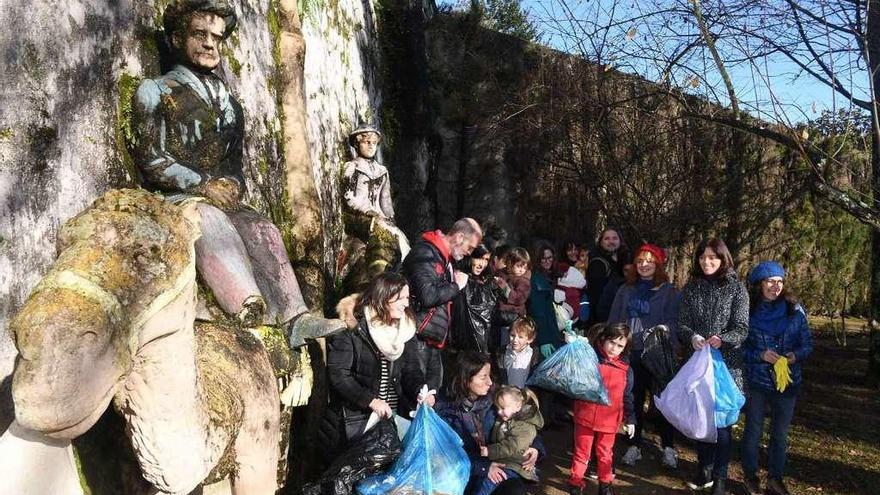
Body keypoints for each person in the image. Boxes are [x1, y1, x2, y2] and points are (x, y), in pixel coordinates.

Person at [129, 0, 339, 340]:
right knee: (211, 224)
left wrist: (232, 184)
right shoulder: (155, 91)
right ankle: (246, 308)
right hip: (179, 198)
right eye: (200, 34)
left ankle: (294, 316)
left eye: (217, 36)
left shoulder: (230, 103)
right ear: (176, 39)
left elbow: (234, 164)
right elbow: (151, 158)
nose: (211, 43)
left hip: (220, 197)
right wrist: (202, 184)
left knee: (262, 227)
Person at [678, 238, 749, 495]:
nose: (706, 262)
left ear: (723, 259)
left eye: (712, 258)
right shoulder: (691, 288)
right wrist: (692, 337)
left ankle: (720, 477)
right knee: (701, 419)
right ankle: (704, 469)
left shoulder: (736, 288)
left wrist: (723, 340)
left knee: (722, 425)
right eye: (702, 257)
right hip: (698, 364)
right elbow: (682, 324)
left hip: (726, 368)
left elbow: (742, 328)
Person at [324, 273, 425, 451]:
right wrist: (370, 401)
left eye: (407, 298)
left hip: (393, 419)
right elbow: (338, 374)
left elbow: (411, 369)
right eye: (400, 298)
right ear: (383, 296)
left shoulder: (406, 329)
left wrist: (420, 391)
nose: (406, 303)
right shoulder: (354, 328)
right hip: (356, 422)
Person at [741, 262, 813, 495]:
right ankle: (750, 476)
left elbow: (807, 344)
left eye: (779, 281)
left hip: (788, 382)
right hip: (758, 381)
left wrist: (796, 356)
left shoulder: (795, 310)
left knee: (780, 435)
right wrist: (760, 354)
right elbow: (739, 348)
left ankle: (775, 478)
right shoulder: (747, 311)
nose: (775, 286)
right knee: (753, 432)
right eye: (770, 281)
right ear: (759, 285)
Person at [607, 244, 681, 468]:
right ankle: (634, 446)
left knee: (662, 402)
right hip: (631, 353)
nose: (644, 265)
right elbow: (614, 320)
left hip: (657, 355)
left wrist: (662, 331)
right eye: (640, 261)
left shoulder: (668, 291)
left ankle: (668, 447)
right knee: (634, 401)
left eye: (649, 261)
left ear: (658, 264)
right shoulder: (625, 290)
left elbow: (674, 323)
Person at [435, 352, 543, 495]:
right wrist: (484, 467)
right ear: (466, 380)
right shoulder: (447, 411)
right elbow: (448, 453)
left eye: (489, 375)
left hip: (500, 464)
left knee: (515, 490)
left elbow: (522, 423)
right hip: (464, 474)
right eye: (483, 377)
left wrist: (536, 447)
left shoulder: (494, 399)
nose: (490, 382)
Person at [403, 218, 483, 390]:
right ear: (460, 237)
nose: (469, 253)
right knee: (417, 396)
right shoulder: (426, 253)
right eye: (470, 247)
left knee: (432, 395)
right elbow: (428, 296)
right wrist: (456, 286)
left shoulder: (444, 259)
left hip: (433, 339)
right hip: (417, 337)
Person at [568, 323, 635, 495]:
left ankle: (605, 484)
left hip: (609, 420)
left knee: (605, 453)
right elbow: (574, 382)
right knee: (581, 452)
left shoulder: (626, 370)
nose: (614, 348)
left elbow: (627, 396)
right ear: (603, 339)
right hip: (586, 415)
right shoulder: (589, 358)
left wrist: (631, 419)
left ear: (625, 348)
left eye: (620, 346)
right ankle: (575, 483)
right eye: (612, 342)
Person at [340, 124, 410, 288]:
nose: (371, 146)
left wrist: (390, 217)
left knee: (398, 236)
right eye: (367, 142)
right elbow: (348, 196)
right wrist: (368, 211)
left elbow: (385, 199)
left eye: (374, 143)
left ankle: (395, 278)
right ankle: (377, 278)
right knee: (379, 231)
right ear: (357, 144)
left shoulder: (382, 170)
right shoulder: (352, 167)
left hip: (377, 215)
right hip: (357, 215)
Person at [474, 386, 544, 495]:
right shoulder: (507, 418)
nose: (498, 411)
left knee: (488, 483)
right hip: (503, 461)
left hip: (513, 465)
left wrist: (489, 451)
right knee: (483, 482)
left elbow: (513, 446)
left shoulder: (524, 426)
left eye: (502, 408)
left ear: (518, 406)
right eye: (498, 407)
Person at [454, 245, 499, 353]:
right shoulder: (461, 279)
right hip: (467, 344)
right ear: (470, 257)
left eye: (486, 260)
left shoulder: (488, 282)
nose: (482, 264)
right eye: (479, 258)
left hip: (484, 342)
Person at [529, 243, 563, 357]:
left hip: (553, 329)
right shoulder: (537, 279)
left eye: (549, 258)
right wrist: (544, 340)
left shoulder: (550, 277)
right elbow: (538, 312)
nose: (547, 261)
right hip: (546, 334)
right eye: (543, 258)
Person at [587, 228, 627, 323]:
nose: (611, 241)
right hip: (604, 320)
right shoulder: (598, 263)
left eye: (614, 238)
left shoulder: (623, 262)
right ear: (601, 242)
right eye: (607, 238)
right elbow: (596, 298)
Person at [495, 316, 540, 388]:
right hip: (508, 394)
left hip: (525, 395)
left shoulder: (533, 355)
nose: (515, 340)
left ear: (530, 339)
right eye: (512, 335)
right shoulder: (502, 353)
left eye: (520, 337)